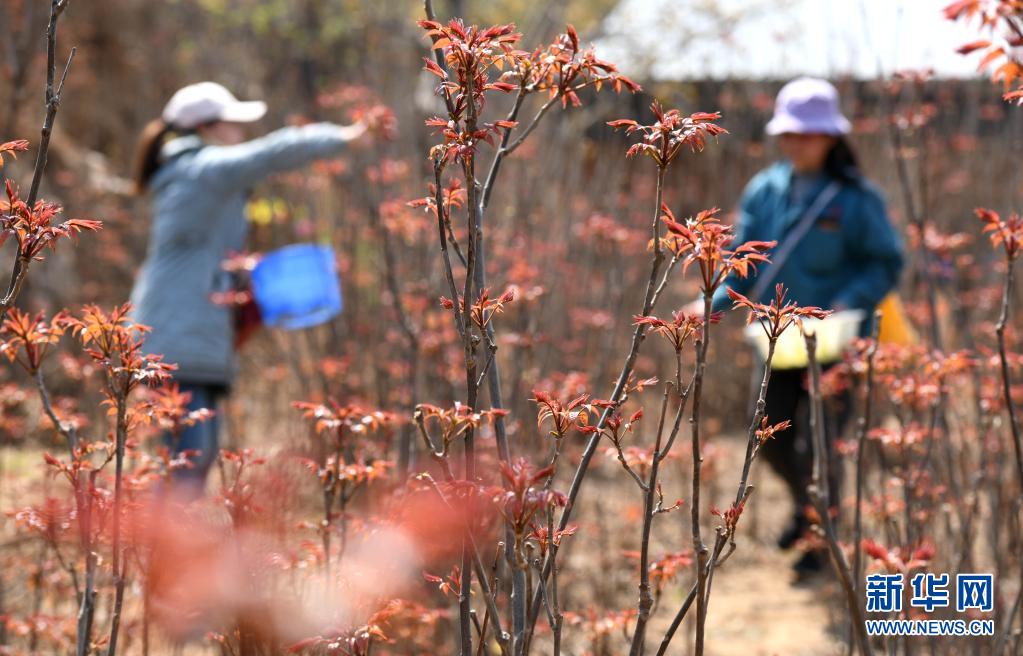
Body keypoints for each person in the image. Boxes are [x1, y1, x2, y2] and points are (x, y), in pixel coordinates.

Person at [129, 82, 367, 498]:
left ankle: (161, 537)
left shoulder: (189, 172)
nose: (241, 132)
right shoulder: (204, 168)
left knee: (190, 458)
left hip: (185, 331)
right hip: (178, 335)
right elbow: (272, 153)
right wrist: (344, 136)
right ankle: (155, 539)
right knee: (188, 460)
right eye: (234, 123)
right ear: (207, 127)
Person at [708, 78, 905, 576]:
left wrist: (848, 301)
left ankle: (820, 544)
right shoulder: (765, 189)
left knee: (822, 445)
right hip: (776, 338)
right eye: (790, 133)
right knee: (767, 435)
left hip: (836, 341)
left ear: (831, 137)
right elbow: (743, 261)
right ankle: (806, 509)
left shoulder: (856, 198)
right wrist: (713, 303)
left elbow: (884, 262)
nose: (798, 142)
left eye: (809, 133)